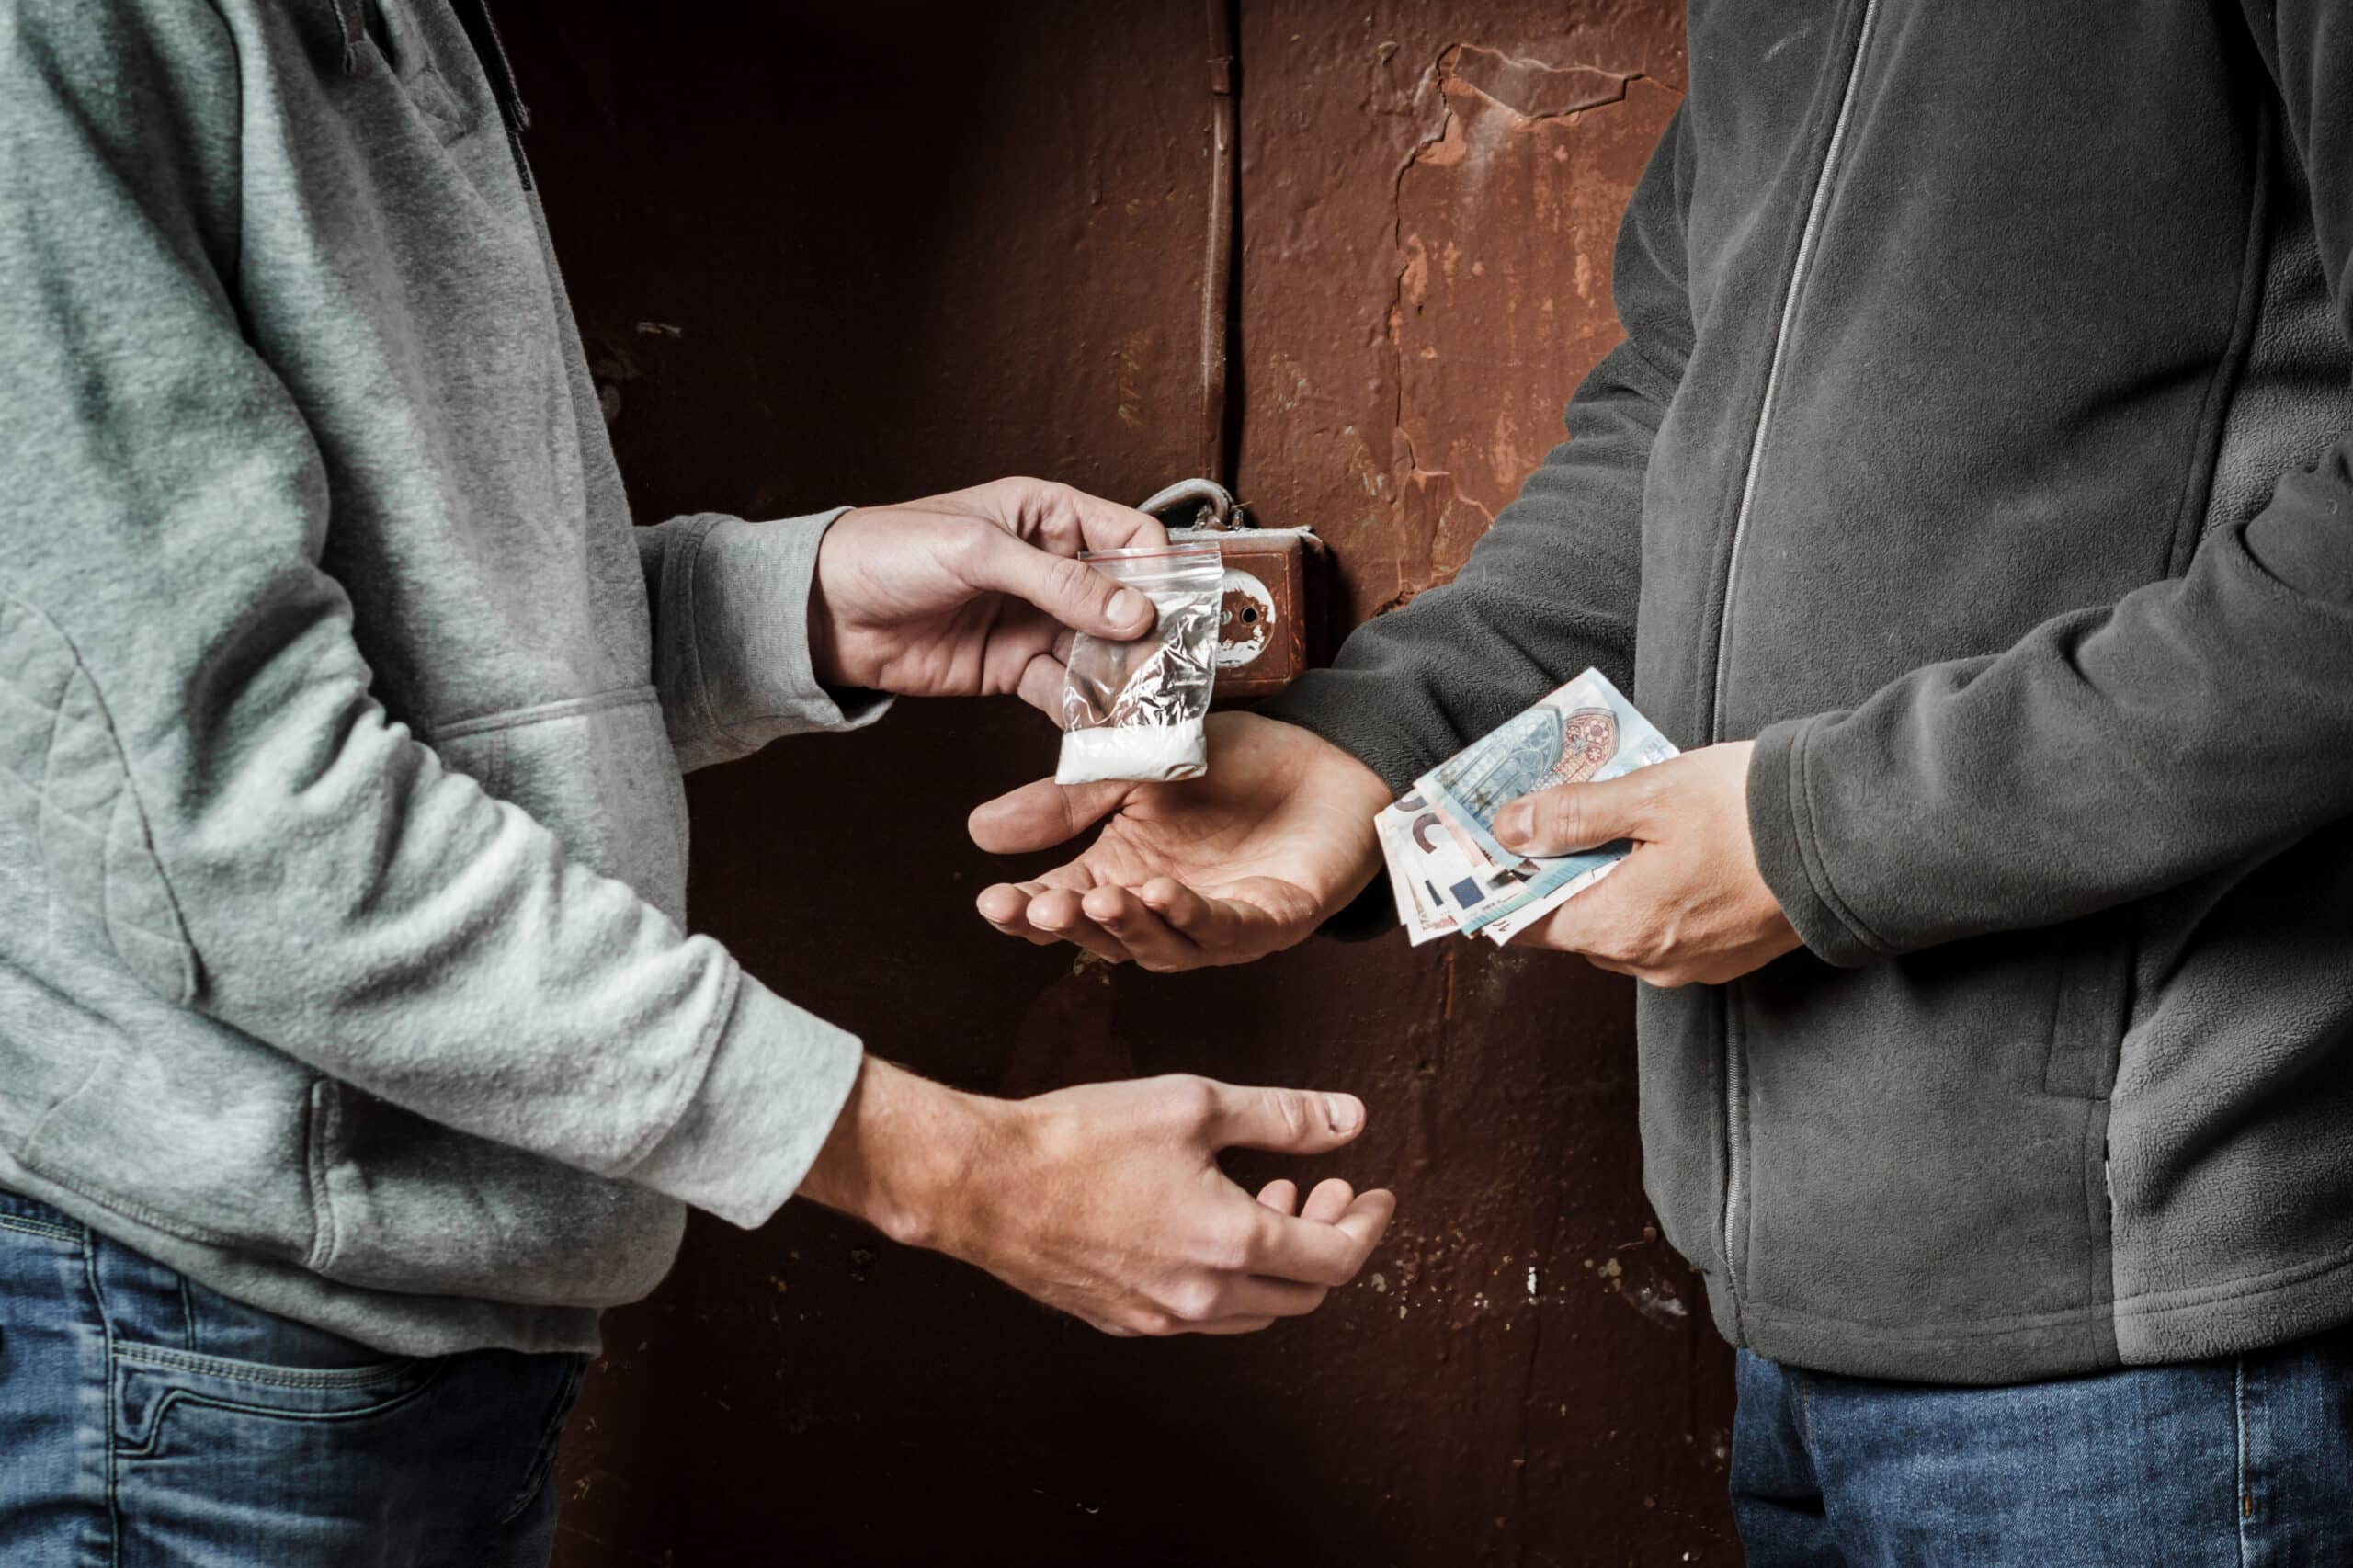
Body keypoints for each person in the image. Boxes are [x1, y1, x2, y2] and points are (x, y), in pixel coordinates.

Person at [0, 2, 1393, 1563]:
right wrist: (959, 1171)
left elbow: (396, 646)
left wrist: (788, 604)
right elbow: (232, 814)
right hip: (189, 1339)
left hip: (434, 1319)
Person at [978, 5, 2353, 1562]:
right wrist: (1375, 739)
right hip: (1788, 1316)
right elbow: (1674, 408)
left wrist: (1812, 837)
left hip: (2152, 1351)